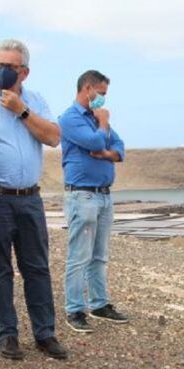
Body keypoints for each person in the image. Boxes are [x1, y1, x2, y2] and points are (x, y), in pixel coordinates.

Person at [0, 39, 67, 361]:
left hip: (29, 198)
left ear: (24, 71)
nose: (3, 72)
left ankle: (45, 333)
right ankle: (7, 334)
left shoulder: (35, 101)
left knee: (37, 268)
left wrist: (22, 111)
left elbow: (53, 137)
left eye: (10, 67)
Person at [59, 70, 129, 333]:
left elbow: (119, 147)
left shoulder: (96, 118)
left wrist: (105, 155)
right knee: (79, 256)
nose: (102, 99)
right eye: (101, 93)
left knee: (99, 255)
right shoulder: (70, 118)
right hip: (82, 195)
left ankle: (99, 304)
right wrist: (102, 124)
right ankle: (74, 309)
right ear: (87, 88)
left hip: (103, 196)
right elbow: (94, 140)